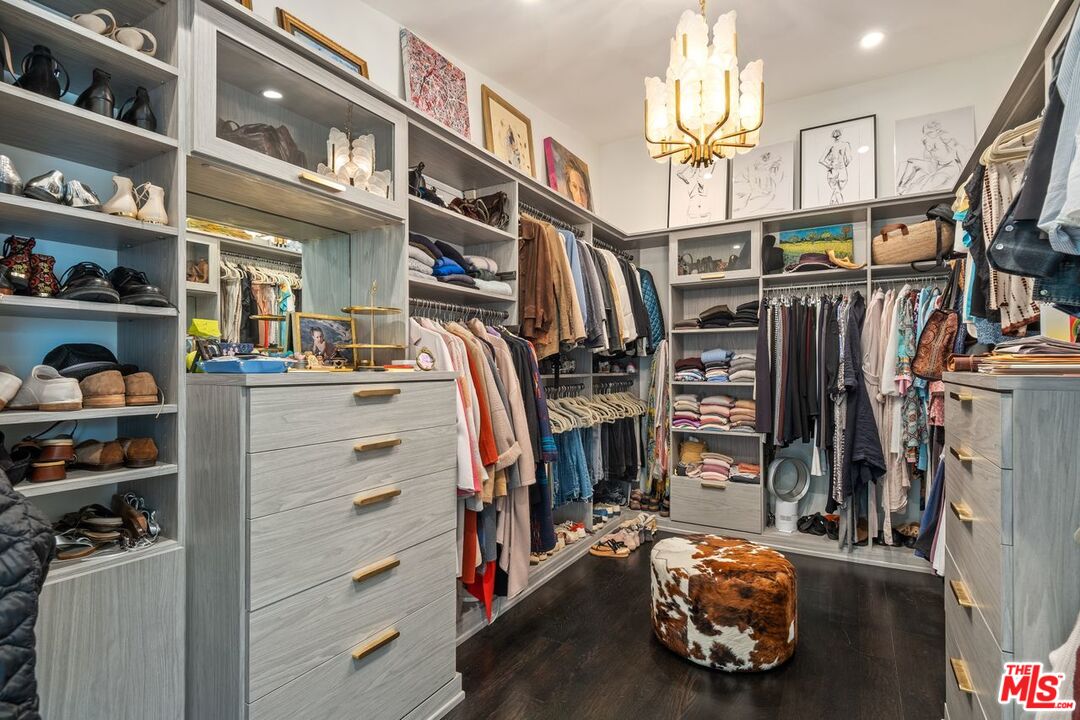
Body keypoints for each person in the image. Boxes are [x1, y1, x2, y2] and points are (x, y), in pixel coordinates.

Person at [896, 120, 963, 194]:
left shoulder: (945, 137)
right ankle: (900, 187)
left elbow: (957, 151)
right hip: (935, 168)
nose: (933, 154)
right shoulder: (929, 143)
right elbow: (929, 160)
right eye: (930, 150)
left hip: (948, 168)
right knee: (910, 162)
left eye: (935, 147)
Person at [819, 128, 852, 205]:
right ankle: (842, 210)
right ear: (840, 136)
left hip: (833, 172)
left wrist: (830, 166)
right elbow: (849, 159)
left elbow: (821, 160)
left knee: (836, 192)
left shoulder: (830, 146)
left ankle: (833, 207)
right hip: (842, 171)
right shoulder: (845, 145)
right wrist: (844, 165)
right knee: (837, 192)